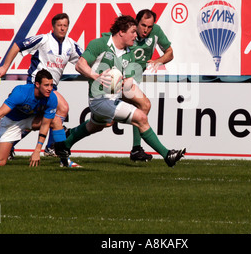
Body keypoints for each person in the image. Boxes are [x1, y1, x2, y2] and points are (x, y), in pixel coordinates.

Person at [52, 15, 185, 167]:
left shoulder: (129, 54)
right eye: (133, 32)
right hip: (99, 99)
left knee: (95, 125)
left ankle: (63, 146)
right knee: (141, 117)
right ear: (121, 32)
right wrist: (96, 76)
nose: (136, 35)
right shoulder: (100, 44)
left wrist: (126, 83)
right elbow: (80, 65)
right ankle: (167, 155)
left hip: (112, 99)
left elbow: (128, 81)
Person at [0, 13, 83, 166]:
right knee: (63, 108)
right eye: (59, 25)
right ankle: (52, 147)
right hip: (36, 85)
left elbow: (85, 61)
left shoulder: (71, 45)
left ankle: (12, 147)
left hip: (50, 87)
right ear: (53, 26)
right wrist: (5, 66)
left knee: (34, 122)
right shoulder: (43, 39)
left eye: (65, 25)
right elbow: (17, 45)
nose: (62, 28)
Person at [125, 9, 174, 162]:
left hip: (135, 80)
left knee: (105, 121)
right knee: (144, 106)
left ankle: (67, 139)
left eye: (149, 26)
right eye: (143, 25)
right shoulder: (127, 32)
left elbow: (170, 52)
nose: (146, 29)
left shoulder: (156, 31)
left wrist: (159, 60)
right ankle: (138, 149)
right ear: (136, 23)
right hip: (122, 78)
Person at [0, 69, 58, 167]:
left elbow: (45, 124)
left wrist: (37, 151)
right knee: (0, 163)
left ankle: (64, 158)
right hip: (11, 122)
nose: (50, 88)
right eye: (46, 85)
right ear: (37, 84)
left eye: (51, 85)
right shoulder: (21, 92)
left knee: (55, 121)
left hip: (31, 120)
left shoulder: (52, 98)